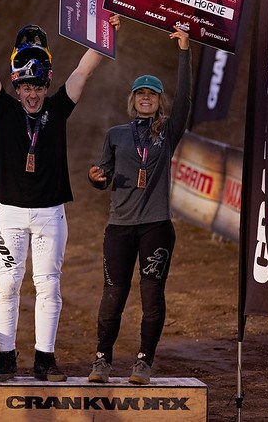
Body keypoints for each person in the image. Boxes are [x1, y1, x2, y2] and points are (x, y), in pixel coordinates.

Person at [0, 6, 119, 382]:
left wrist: (105, 32)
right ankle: (5, 358)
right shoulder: (2, 109)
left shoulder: (59, 108)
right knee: (9, 283)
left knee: (49, 285)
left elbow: (84, 70)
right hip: (10, 213)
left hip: (51, 212)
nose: (32, 95)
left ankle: (44, 360)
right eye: (26, 87)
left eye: (38, 87)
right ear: (16, 87)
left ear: (46, 87)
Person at [87, 24, 191, 385]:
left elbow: (187, 102)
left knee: (151, 297)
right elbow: (106, 175)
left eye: (152, 94)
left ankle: (144, 362)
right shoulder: (116, 134)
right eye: (140, 93)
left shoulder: (166, 133)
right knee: (113, 296)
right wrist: (96, 178)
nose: (146, 98)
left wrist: (184, 52)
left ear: (160, 100)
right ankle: (102, 361)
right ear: (132, 99)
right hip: (119, 226)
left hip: (156, 225)